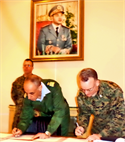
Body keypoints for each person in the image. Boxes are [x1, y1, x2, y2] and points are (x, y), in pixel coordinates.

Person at [12, 74, 70, 139]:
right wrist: (20, 129)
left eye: (31, 93)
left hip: (61, 114)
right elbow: (26, 115)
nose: (28, 97)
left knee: (61, 137)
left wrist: (48, 132)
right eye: (26, 93)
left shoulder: (53, 87)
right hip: (45, 114)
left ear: (40, 88)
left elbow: (59, 110)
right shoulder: (28, 95)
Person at [75, 68, 125, 141]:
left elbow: (119, 117)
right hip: (97, 133)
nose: (86, 93)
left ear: (97, 83)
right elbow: (84, 113)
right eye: (83, 89)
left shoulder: (113, 90)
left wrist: (101, 135)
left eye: (89, 89)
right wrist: (82, 127)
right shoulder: (81, 94)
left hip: (117, 134)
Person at [11, 58, 34, 129]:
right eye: (25, 65)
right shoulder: (17, 81)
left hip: (32, 112)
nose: (26, 67)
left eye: (28, 65)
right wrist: (20, 103)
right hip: (19, 113)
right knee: (16, 133)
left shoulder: (36, 80)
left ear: (32, 67)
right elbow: (13, 96)